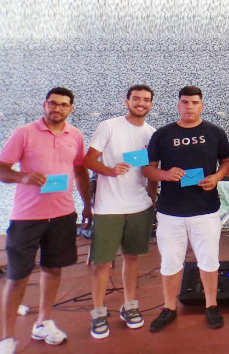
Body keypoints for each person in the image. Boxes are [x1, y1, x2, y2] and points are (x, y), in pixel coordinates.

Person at [0, 87, 91, 354]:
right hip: (27, 218)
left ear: (71, 109)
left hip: (63, 215)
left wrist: (87, 205)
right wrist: (23, 177)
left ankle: (43, 322)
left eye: (63, 105)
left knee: (53, 270)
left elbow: (80, 170)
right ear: (44, 105)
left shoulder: (75, 135)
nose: (57, 108)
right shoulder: (24, 133)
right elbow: (2, 169)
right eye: (53, 103)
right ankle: (7, 338)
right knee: (18, 276)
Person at [142, 86, 229, 332]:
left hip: (206, 210)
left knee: (209, 260)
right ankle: (168, 308)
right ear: (178, 105)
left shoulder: (215, 132)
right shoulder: (162, 135)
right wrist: (165, 174)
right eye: (185, 102)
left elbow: (226, 161)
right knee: (170, 263)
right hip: (171, 212)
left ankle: (211, 305)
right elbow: (147, 169)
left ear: (201, 105)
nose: (189, 107)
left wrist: (216, 177)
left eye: (194, 102)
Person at [84, 85, 157, 339]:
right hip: (109, 208)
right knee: (103, 262)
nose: (140, 103)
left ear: (151, 104)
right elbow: (89, 160)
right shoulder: (108, 126)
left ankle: (130, 305)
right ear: (127, 101)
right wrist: (110, 170)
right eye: (136, 98)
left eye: (146, 100)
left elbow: (150, 170)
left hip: (139, 206)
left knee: (132, 258)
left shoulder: (152, 133)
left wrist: (153, 197)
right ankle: (98, 311)